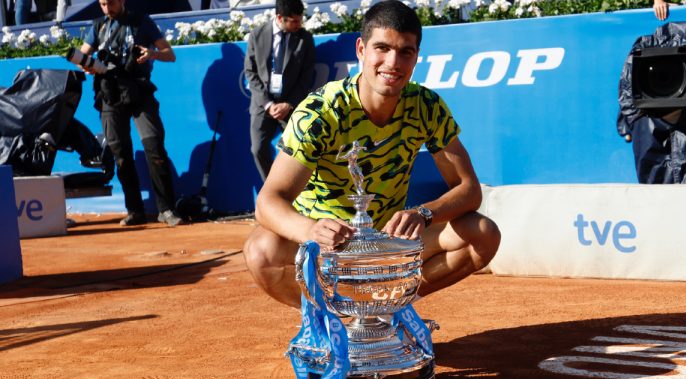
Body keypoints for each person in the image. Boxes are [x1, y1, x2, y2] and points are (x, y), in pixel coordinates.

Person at [243, 0, 501, 308]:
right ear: (361, 49)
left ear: (416, 57)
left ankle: (388, 312)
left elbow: (469, 190)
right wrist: (311, 230)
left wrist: (423, 213)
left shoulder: (426, 106)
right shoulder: (321, 112)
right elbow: (269, 202)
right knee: (262, 251)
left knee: (482, 233)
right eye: (382, 48)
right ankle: (332, 322)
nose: (393, 62)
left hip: (386, 243)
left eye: (406, 51)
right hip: (327, 249)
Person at [78, 0, 183, 227]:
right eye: (103, 4)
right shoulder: (98, 27)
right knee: (121, 155)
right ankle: (134, 210)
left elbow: (169, 54)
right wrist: (87, 64)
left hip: (139, 92)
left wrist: (152, 54)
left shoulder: (141, 22)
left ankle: (166, 209)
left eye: (112, 3)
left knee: (154, 148)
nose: (108, 8)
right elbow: (82, 56)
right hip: (109, 95)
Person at [243, 0, 315, 183]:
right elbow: (250, 73)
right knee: (257, 148)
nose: (299, 25)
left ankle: (298, 192)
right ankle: (272, 190)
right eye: (294, 21)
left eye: (300, 20)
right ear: (280, 18)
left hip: (291, 103)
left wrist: (289, 104)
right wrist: (267, 104)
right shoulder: (256, 35)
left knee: (298, 149)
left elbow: (307, 76)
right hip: (262, 104)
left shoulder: (305, 39)